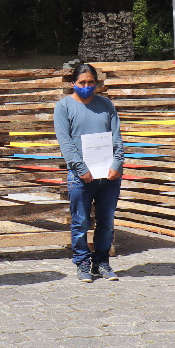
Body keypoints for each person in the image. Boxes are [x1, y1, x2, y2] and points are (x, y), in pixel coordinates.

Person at [54, 62, 124, 283]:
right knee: (80, 222)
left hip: (109, 176)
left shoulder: (106, 105)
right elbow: (65, 142)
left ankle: (101, 261)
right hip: (81, 177)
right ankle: (82, 261)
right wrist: (81, 169)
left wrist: (117, 164)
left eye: (91, 82)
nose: (86, 86)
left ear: (96, 83)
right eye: (82, 82)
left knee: (107, 221)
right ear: (73, 83)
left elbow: (116, 137)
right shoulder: (64, 107)